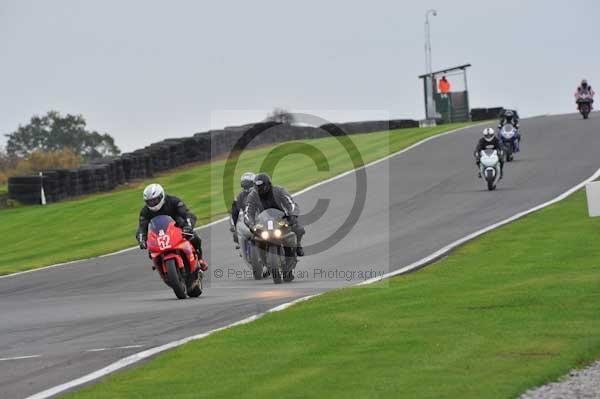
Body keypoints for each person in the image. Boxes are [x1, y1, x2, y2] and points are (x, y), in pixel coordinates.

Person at [136, 183, 207, 271]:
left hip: (178, 227)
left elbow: (187, 214)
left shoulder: (173, 201)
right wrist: (141, 239)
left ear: (161, 196)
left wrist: (188, 226)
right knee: (151, 253)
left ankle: (200, 260)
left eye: (155, 200)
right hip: (159, 234)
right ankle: (161, 267)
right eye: (149, 201)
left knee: (195, 238)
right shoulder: (145, 211)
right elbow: (142, 227)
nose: (152, 203)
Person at [245, 173, 305, 257]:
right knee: (250, 238)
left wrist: (292, 215)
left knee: (299, 229)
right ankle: (257, 261)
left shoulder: (279, 190)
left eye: (262, 186)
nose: (260, 189)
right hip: (263, 222)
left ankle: (297, 245)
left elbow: (290, 203)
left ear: (268, 184)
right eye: (258, 187)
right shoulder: (252, 196)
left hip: (281, 219)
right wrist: (251, 224)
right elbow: (248, 212)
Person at [230, 172, 255, 245]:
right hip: (247, 221)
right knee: (237, 235)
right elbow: (234, 213)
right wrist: (234, 227)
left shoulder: (259, 194)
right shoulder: (239, 197)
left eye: (248, 184)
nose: (246, 187)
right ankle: (242, 248)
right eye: (245, 184)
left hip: (259, 219)